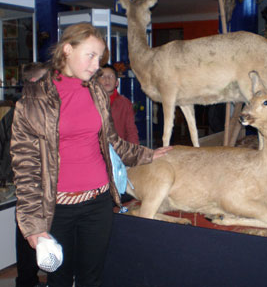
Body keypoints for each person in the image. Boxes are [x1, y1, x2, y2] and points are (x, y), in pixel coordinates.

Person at [10, 23, 171, 287]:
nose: (96, 66)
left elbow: (112, 141)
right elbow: (25, 168)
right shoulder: (33, 101)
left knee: (92, 278)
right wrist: (33, 226)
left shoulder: (96, 92)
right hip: (57, 208)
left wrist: (149, 155)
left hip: (98, 202)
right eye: (90, 55)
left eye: (99, 58)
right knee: (59, 279)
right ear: (67, 50)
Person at [15, 62, 48, 287]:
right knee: (28, 237)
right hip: (32, 187)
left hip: (39, 187)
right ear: (35, 82)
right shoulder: (24, 111)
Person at [98, 64, 139, 144]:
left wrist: (134, 154)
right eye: (102, 77)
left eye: (111, 76)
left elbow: (131, 132)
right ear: (97, 82)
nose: (107, 79)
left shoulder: (125, 104)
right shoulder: (90, 102)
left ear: (117, 83)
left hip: (118, 151)